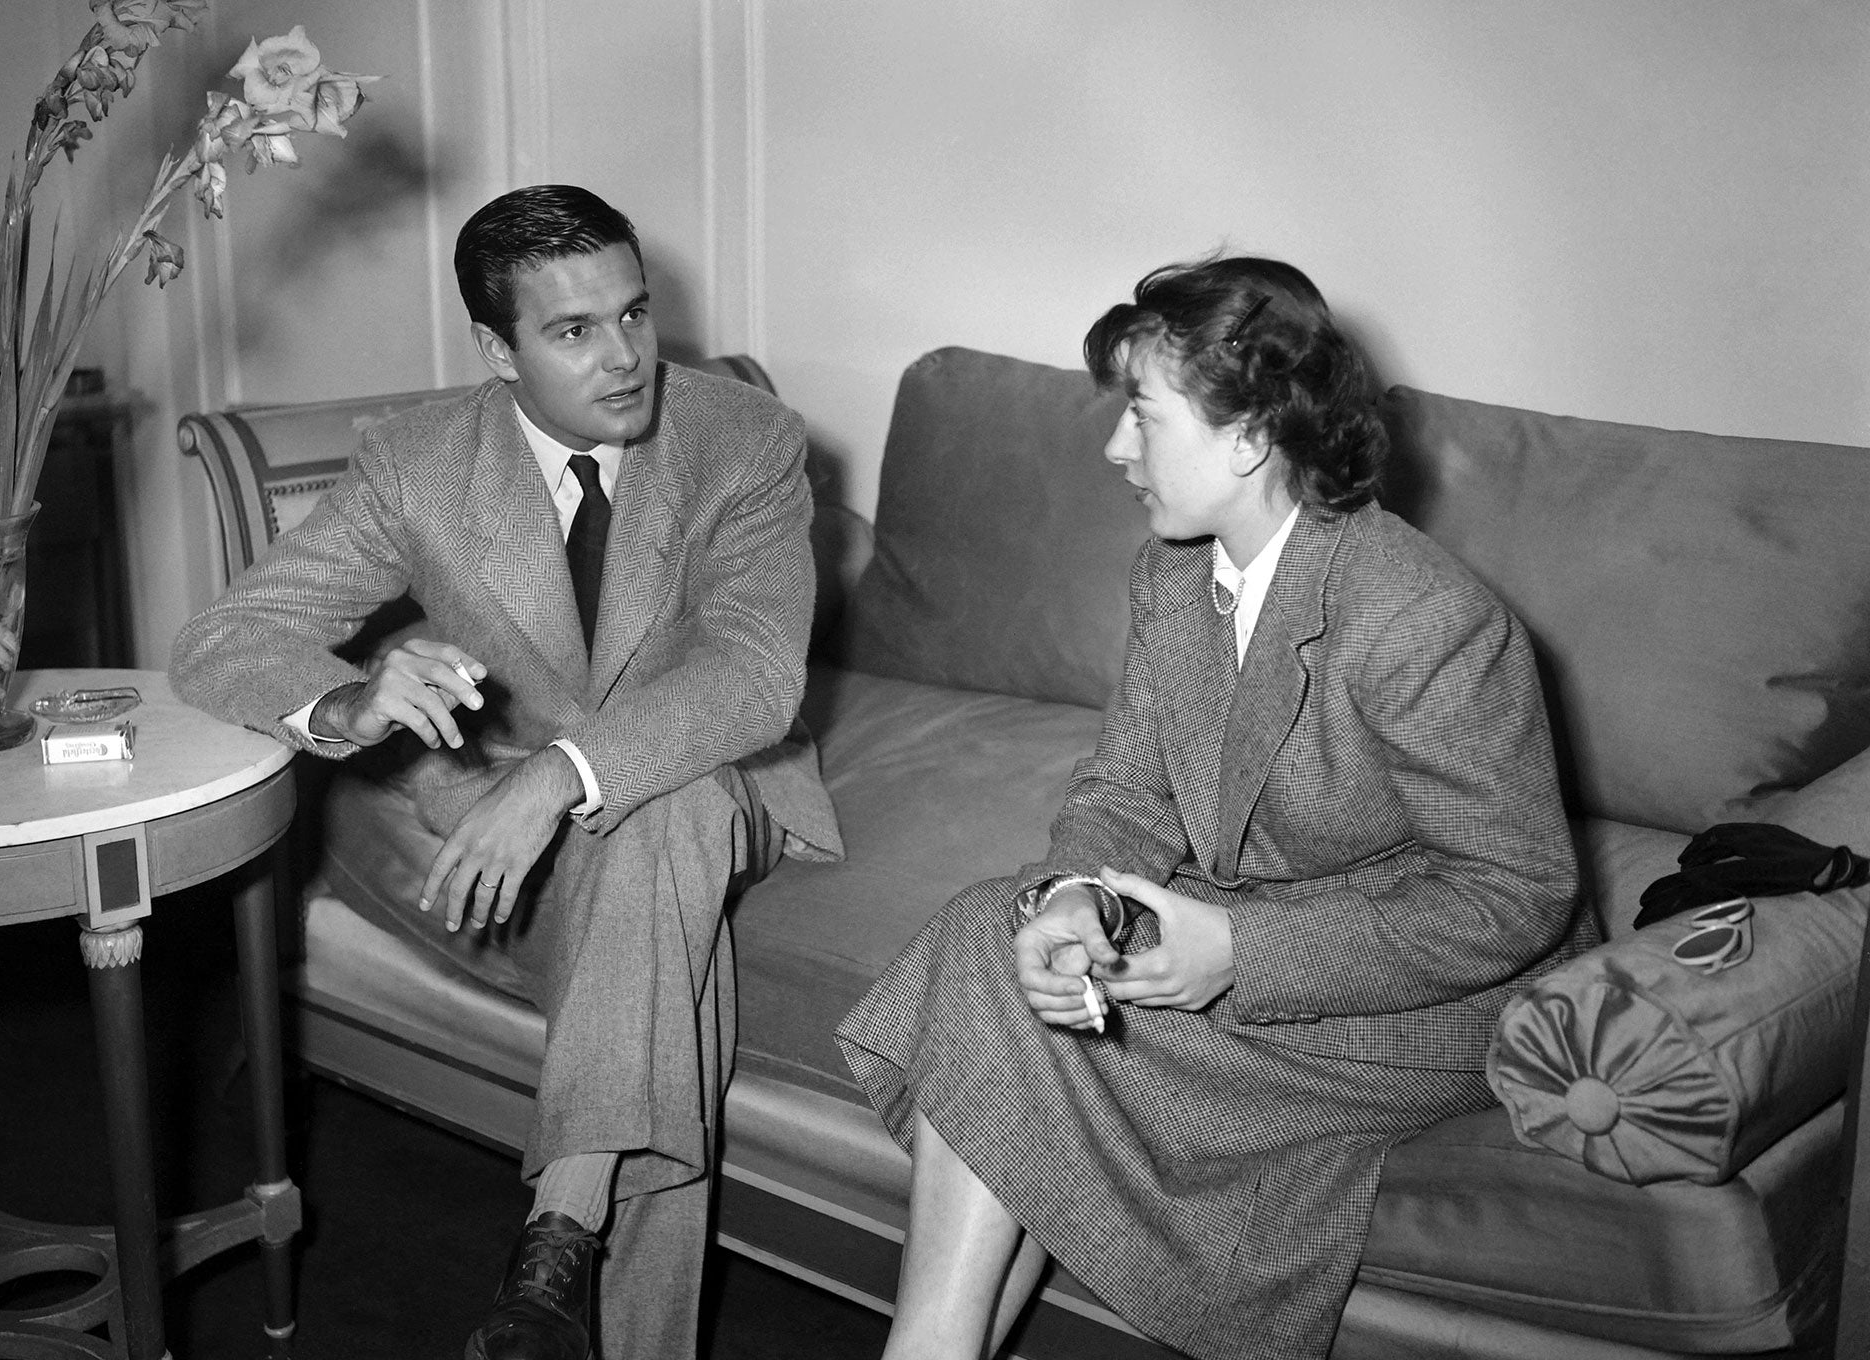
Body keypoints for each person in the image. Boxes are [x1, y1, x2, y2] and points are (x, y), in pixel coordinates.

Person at [835, 255, 1594, 1360]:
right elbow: (1125, 790)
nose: (1114, 447)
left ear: (1248, 438)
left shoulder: (1423, 618)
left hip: (1415, 1000)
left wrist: (1238, 947)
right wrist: (1075, 896)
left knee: (990, 995)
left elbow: (1513, 893)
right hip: (1264, 920)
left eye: (1141, 413)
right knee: (995, 935)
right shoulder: (1172, 574)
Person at [171, 184, 841, 1360]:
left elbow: (749, 677)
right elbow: (225, 637)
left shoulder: (746, 439)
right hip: (518, 795)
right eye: (573, 331)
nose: (626, 356)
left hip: (700, 775)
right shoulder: (416, 462)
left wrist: (556, 779)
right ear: (495, 348)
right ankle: (565, 1283)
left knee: (672, 806)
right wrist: (348, 694)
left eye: (634, 314)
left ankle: (554, 1238)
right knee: (666, 907)